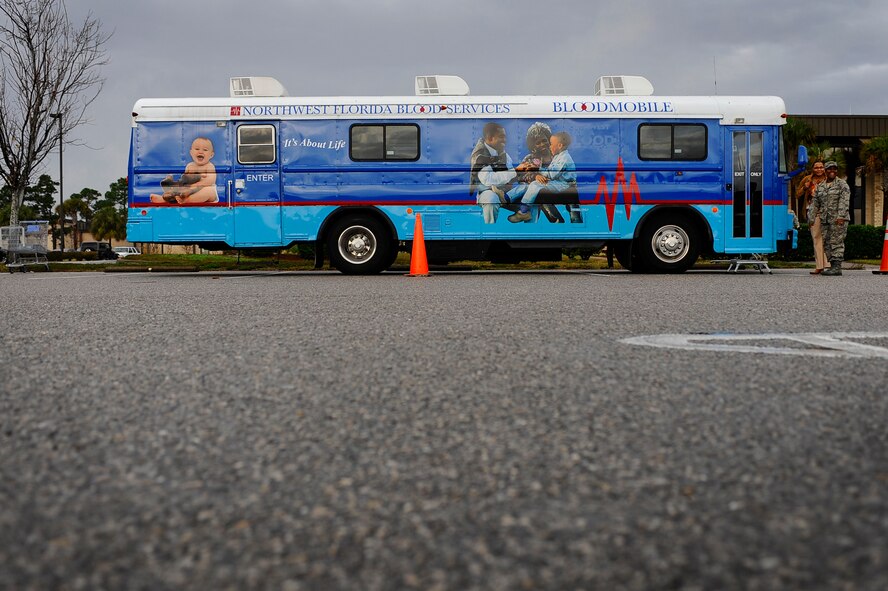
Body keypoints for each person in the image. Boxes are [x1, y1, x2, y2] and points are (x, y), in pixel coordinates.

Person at [506, 131, 576, 223]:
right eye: (538, 143)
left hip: (564, 185)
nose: (545, 145)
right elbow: (521, 177)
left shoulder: (564, 158)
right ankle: (506, 197)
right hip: (556, 183)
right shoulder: (555, 156)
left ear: (559, 146)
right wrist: (536, 172)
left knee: (536, 186)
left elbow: (552, 174)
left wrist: (538, 170)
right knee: (529, 186)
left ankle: (524, 212)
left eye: (547, 142)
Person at [513, 122, 562, 222]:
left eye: (544, 141)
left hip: (556, 190)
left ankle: (557, 220)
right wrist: (535, 176)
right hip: (536, 193)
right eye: (538, 143)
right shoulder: (530, 158)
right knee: (537, 193)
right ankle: (554, 220)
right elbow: (520, 176)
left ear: (549, 140)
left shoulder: (559, 157)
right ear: (533, 146)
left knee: (539, 192)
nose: (542, 144)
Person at [469, 123, 516, 224]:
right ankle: (490, 231)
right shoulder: (480, 155)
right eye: (501, 137)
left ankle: (530, 231)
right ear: (490, 138)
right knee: (491, 199)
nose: (505, 140)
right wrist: (515, 173)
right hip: (486, 190)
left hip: (504, 191)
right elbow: (487, 180)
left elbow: (509, 169)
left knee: (530, 198)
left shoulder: (502, 153)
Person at [150, 137, 219, 204]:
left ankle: (187, 200)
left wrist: (196, 185)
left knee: (208, 191)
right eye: (197, 149)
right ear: (191, 152)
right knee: (179, 189)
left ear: (211, 155)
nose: (200, 152)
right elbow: (185, 180)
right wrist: (185, 187)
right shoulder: (190, 166)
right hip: (189, 191)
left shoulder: (209, 166)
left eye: (205, 150)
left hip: (205, 190)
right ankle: (166, 199)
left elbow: (210, 181)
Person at [812, 161, 850, 276]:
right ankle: (832, 265)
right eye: (829, 169)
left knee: (837, 242)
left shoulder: (842, 184)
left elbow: (844, 201)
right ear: (826, 171)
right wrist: (811, 218)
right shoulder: (821, 186)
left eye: (834, 169)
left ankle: (837, 267)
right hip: (825, 220)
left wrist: (841, 216)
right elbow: (815, 203)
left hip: (838, 220)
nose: (832, 171)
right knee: (827, 243)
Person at [802, 161, 828, 274]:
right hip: (813, 212)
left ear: (824, 168)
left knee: (828, 238)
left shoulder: (830, 179)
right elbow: (797, 194)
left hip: (828, 212)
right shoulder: (807, 179)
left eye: (821, 167)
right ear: (813, 169)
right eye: (816, 167)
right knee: (816, 237)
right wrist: (805, 188)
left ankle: (829, 265)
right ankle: (819, 266)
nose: (819, 169)